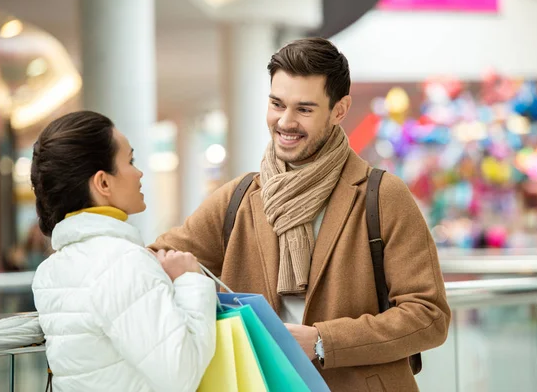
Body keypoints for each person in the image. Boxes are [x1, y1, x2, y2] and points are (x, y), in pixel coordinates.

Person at [150, 38, 451, 391]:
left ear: (339, 111)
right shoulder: (238, 198)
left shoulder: (383, 196)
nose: (285, 122)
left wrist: (323, 341)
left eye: (304, 109)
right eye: (277, 104)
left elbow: (429, 316)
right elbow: (155, 259)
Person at [31, 111, 217, 392]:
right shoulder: (123, 262)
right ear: (103, 183)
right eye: (129, 160)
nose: (139, 172)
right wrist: (189, 280)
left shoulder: (51, 270)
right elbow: (182, 374)